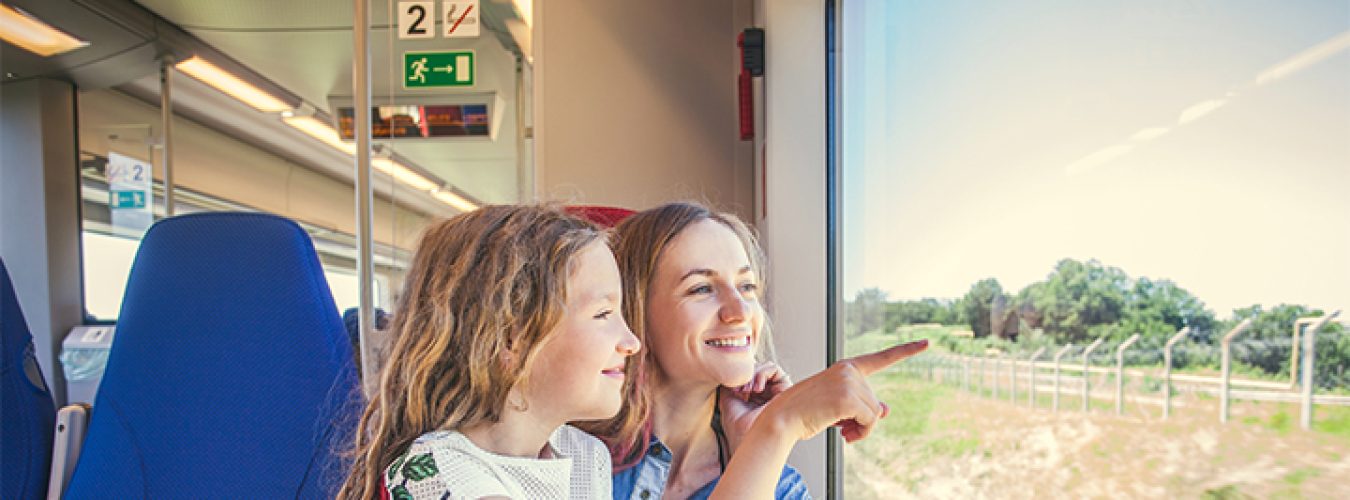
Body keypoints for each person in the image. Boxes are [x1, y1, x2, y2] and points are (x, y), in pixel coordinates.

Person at [580, 202, 927, 499]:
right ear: (633, 311)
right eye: (701, 288)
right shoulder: (570, 457)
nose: (741, 311)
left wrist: (758, 446)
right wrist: (780, 424)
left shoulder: (782, 490)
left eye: (747, 286)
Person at [337, 205, 641, 500]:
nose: (632, 342)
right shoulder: (433, 473)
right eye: (603, 314)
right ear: (511, 340)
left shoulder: (586, 456)